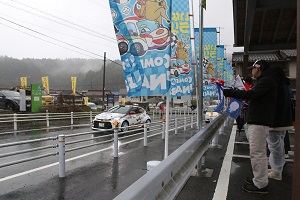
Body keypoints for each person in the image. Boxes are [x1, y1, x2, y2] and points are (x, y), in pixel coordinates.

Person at [223, 60, 278, 194]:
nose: (251, 71)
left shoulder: (267, 81)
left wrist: (230, 92)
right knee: (258, 152)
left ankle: (260, 184)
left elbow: (250, 95)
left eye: (252, 68)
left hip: (259, 121)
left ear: (258, 68)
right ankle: (259, 179)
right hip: (259, 121)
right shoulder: (266, 81)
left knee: (257, 153)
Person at [267, 70, 293, 181]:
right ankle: (277, 168)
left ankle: (277, 172)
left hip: (276, 122)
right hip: (285, 121)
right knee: (280, 146)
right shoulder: (286, 87)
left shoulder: (277, 87)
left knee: (275, 148)